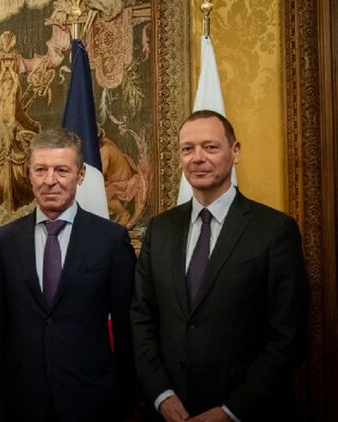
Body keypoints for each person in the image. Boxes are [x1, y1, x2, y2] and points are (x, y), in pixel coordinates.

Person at [131, 110, 306, 422]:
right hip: (170, 411)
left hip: (248, 411)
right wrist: (161, 394)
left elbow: (288, 335)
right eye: (187, 149)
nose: (197, 157)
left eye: (210, 147)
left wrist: (232, 410)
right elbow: (141, 318)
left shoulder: (274, 230)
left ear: (235, 152)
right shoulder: (159, 229)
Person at [0, 128, 137, 422]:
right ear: (29, 174)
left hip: (92, 399)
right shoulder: (4, 242)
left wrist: (126, 399)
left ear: (80, 175)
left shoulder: (111, 240)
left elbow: (127, 326)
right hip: (21, 400)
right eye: (41, 170)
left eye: (62, 170)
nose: (50, 180)